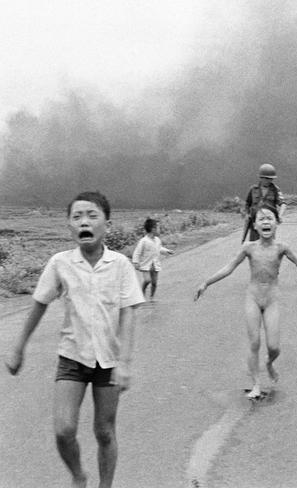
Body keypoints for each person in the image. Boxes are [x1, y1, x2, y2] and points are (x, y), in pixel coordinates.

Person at [4, 191, 145, 488]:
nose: (84, 221)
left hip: (108, 360)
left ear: (108, 223)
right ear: (69, 225)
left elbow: (129, 313)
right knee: (63, 430)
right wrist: (18, 347)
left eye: (92, 215)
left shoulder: (120, 264)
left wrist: (125, 363)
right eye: (77, 216)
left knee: (105, 432)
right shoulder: (60, 263)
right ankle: (79, 475)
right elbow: (40, 304)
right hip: (72, 357)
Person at [194, 203, 297, 398]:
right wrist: (206, 282)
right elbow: (229, 267)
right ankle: (256, 385)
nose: (266, 221)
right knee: (254, 342)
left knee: (274, 347)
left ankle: (269, 363)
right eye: (261, 218)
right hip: (252, 298)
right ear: (255, 226)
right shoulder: (249, 248)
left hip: (271, 300)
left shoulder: (281, 247)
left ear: (277, 223)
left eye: (270, 218)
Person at [132, 217, 174, 300]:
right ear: (153, 229)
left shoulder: (157, 240)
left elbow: (159, 248)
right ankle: (142, 292)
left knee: (154, 283)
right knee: (147, 280)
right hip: (146, 265)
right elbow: (137, 252)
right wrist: (135, 262)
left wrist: (167, 251)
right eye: (158, 228)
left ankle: (152, 297)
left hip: (155, 265)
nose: (159, 230)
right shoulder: (143, 241)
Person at [244, 163, 287, 242]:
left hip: (269, 222)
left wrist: (280, 216)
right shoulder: (253, 189)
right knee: (254, 246)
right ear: (261, 177)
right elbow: (247, 204)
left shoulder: (275, 189)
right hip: (256, 222)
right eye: (266, 178)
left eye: (271, 178)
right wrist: (247, 215)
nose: (269, 180)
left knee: (269, 244)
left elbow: (283, 204)